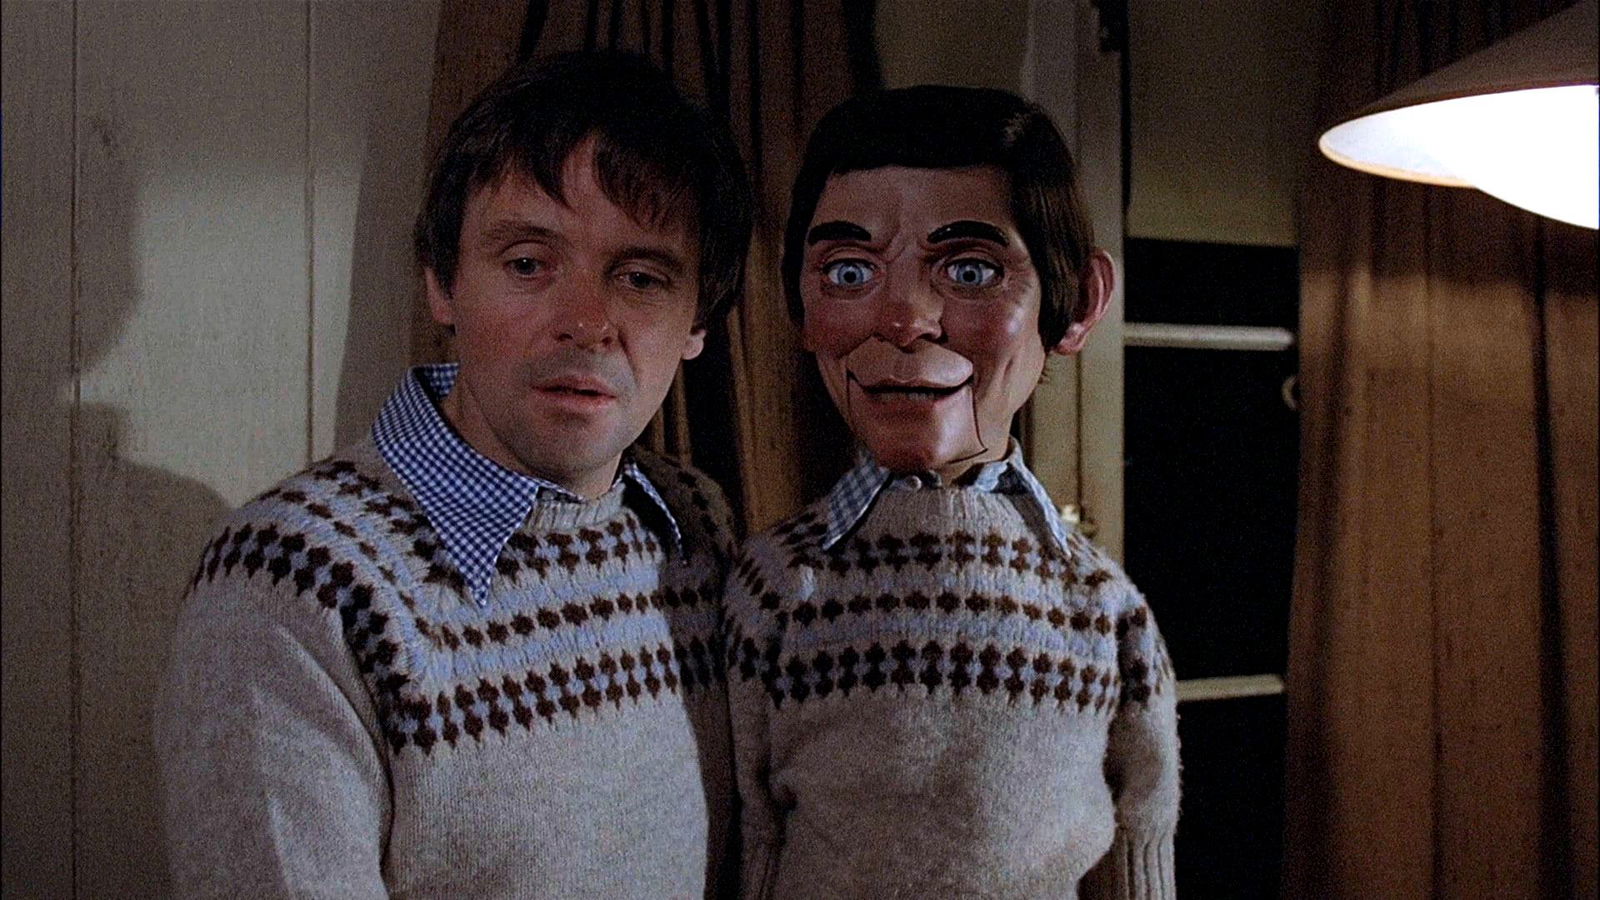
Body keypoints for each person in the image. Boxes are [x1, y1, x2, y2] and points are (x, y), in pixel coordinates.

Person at [155, 52, 752, 898]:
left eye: (641, 277)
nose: (587, 322)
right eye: (528, 264)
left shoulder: (693, 527)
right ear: (442, 283)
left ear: (699, 320)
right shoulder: (290, 583)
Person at [724, 85, 1180, 898]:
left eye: (970, 270)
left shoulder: (1102, 612)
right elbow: (752, 846)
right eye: (849, 271)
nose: (905, 318)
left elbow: (1140, 852)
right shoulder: (772, 589)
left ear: (1077, 302)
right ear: (798, 300)